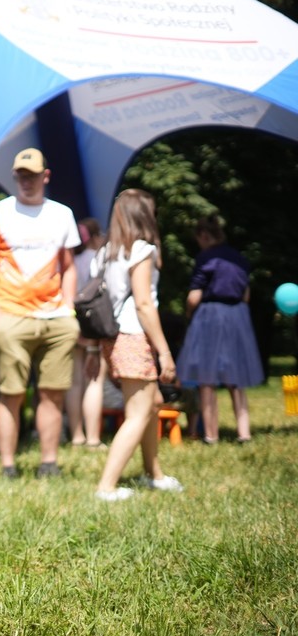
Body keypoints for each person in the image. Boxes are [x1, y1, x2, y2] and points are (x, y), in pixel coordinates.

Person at [0, 148, 81, 479]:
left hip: (56, 318)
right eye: (21, 175)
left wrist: (69, 308)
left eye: (32, 175)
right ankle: (8, 465)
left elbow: (69, 266)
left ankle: (48, 463)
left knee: (52, 393)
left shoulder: (62, 213)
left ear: (45, 176)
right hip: (11, 316)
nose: (26, 181)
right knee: (12, 392)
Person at [93, 189, 182, 501]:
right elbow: (144, 303)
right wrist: (165, 352)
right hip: (133, 336)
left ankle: (153, 474)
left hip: (112, 337)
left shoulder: (105, 252)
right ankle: (106, 487)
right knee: (139, 413)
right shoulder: (142, 250)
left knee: (152, 403)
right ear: (144, 215)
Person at [176, 215, 264, 444]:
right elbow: (245, 294)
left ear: (204, 235)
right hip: (237, 315)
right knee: (236, 378)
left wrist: (188, 314)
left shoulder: (206, 258)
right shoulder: (239, 259)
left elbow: (194, 296)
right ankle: (244, 433)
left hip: (210, 317)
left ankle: (211, 435)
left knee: (206, 377)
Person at [67, 218, 109, 449]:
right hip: (94, 322)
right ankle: (93, 438)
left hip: (72, 320)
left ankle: (76, 436)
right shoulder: (98, 258)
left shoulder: (71, 259)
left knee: (74, 382)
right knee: (94, 380)